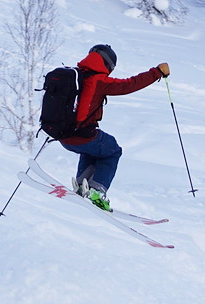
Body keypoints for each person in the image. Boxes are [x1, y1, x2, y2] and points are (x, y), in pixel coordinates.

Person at [59, 44, 170, 211]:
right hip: (82, 136)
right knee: (113, 151)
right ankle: (97, 190)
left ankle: (83, 186)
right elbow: (129, 85)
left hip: (64, 135)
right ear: (108, 64)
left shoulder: (75, 75)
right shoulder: (98, 80)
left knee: (94, 148)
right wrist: (156, 73)